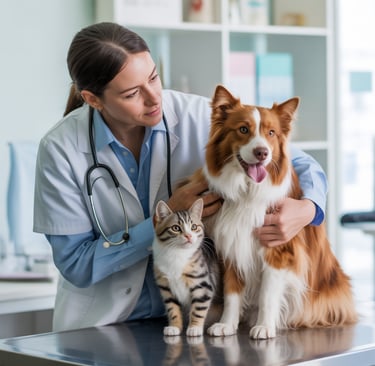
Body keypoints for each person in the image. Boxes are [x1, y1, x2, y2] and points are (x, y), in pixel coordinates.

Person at [33, 22, 328, 332]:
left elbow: (301, 162)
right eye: (133, 93)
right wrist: (161, 224)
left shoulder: (195, 114)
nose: (153, 98)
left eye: (153, 77)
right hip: (103, 325)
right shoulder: (60, 149)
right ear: (93, 99)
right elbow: (76, 264)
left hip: (193, 319)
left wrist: (308, 210)